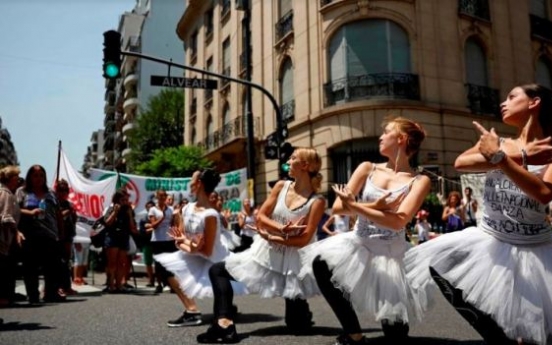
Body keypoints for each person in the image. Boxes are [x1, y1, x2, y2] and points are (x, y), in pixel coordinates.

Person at [405, 84, 552, 345]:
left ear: (534, 102)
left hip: (536, 249)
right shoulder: (498, 142)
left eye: (512, 97)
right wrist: (519, 154)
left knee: (537, 334)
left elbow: (542, 192)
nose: (503, 103)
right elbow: (461, 163)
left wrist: (500, 158)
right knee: (438, 265)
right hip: (492, 239)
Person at [299, 116, 431, 345]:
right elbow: (339, 207)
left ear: (400, 139)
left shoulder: (419, 181)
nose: (380, 136)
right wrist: (375, 207)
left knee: (396, 336)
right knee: (320, 265)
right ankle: (353, 333)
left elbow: (398, 221)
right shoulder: (367, 168)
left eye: (386, 132)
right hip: (359, 244)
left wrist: (358, 206)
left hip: (391, 254)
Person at [196, 147, 326, 343]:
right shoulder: (281, 186)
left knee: (297, 325)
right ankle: (224, 324)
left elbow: (304, 239)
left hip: (293, 264)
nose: (288, 162)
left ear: (305, 166)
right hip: (265, 255)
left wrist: (274, 236)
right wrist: (283, 228)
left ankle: (301, 314)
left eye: (293, 158)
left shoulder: (317, 201)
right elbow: (261, 217)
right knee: (218, 270)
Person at [155, 169, 247, 327]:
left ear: (199, 184)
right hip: (195, 255)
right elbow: (178, 240)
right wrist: (188, 243)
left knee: (216, 279)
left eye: (192, 179)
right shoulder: (187, 208)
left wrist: (188, 245)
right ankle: (220, 307)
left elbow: (207, 251)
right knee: (165, 269)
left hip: (213, 261)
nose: (189, 183)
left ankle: (200, 311)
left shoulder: (210, 215)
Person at [16, 165, 65, 303]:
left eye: (41, 175)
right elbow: (15, 210)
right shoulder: (22, 192)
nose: (39, 179)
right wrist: (30, 212)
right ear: (30, 177)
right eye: (35, 175)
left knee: (51, 267)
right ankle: (33, 294)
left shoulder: (50, 193)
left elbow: (58, 214)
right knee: (30, 267)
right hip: (29, 235)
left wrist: (61, 233)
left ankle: (50, 293)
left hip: (49, 235)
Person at [103, 189, 136, 293]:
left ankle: (119, 285)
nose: (125, 202)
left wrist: (130, 214)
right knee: (112, 262)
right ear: (117, 200)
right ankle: (111, 284)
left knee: (122, 263)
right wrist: (115, 212)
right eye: (123, 200)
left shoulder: (128, 209)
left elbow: (132, 227)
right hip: (112, 237)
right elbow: (107, 223)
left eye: (126, 200)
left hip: (124, 237)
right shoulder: (111, 208)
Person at [0, 166, 23, 308]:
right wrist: (17, 232)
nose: (18, 181)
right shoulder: (6, 193)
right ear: (10, 179)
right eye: (17, 178)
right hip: (2, 239)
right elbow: (6, 217)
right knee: (3, 273)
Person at [149, 189, 176, 294]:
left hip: (168, 239)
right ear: (156, 197)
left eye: (164, 196)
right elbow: (153, 225)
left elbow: (172, 223)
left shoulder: (171, 209)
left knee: (170, 263)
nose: (162, 198)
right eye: (160, 196)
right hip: (158, 240)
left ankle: (171, 284)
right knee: (159, 263)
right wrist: (163, 217)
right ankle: (159, 283)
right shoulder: (153, 210)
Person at [54, 179, 77, 295]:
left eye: (65, 191)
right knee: (58, 262)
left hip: (68, 235)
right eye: (60, 190)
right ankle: (58, 287)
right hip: (56, 236)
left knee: (67, 261)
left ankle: (67, 286)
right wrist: (66, 212)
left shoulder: (69, 204)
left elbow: (74, 221)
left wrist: (73, 213)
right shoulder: (53, 203)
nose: (63, 193)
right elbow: (55, 218)